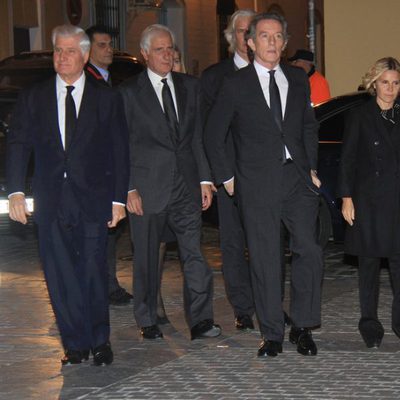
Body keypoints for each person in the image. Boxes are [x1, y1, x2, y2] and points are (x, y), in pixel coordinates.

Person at [7, 25, 128, 365]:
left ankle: (99, 340)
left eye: (70, 51)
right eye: (58, 51)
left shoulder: (106, 97)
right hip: (52, 200)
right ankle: (74, 343)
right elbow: (18, 143)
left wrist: (119, 200)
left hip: (93, 198)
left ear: (85, 55)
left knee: (91, 268)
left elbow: (120, 150)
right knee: (58, 273)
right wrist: (17, 190)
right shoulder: (35, 96)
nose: (62, 57)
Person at [204, 13, 323, 358]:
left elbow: (308, 127)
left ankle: (302, 326)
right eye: (264, 36)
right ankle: (271, 332)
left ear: (285, 44)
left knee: (310, 251)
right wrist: (227, 179)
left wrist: (311, 167)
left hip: (297, 179)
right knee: (265, 258)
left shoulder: (298, 80)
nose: (272, 42)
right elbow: (214, 135)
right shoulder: (235, 84)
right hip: (255, 183)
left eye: (277, 37)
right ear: (251, 43)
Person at [119, 24, 221, 341]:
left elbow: (197, 138)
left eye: (171, 48)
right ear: (145, 53)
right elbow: (120, 145)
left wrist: (205, 178)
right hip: (147, 188)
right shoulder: (128, 93)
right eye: (160, 49)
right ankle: (148, 319)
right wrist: (129, 187)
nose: (168, 54)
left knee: (193, 254)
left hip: (186, 186)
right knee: (147, 257)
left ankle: (201, 321)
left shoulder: (190, 87)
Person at [337, 57, 400, 348]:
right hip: (369, 201)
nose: (390, 88)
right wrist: (346, 198)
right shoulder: (360, 116)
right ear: (374, 84)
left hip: (397, 203)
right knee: (370, 269)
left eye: (396, 83)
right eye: (385, 82)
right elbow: (347, 160)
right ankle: (370, 328)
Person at [200, 9, 256, 331]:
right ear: (231, 37)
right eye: (240, 32)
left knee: (267, 243)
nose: (246, 38)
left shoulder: (274, 73)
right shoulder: (213, 78)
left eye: (252, 32)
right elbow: (207, 131)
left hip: (265, 174)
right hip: (229, 176)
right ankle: (243, 308)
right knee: (234, 244)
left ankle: (268, 303)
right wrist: (214, 177)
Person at [85, 25, 133, 306]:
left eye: (110, 44)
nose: (109, 49)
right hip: (95, 171)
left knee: (110, 233)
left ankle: (108, 283)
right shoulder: (89, 82)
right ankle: (102, 285)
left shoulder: (107, 79)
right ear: (88, 50)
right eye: (102, 45)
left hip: (110, 169)